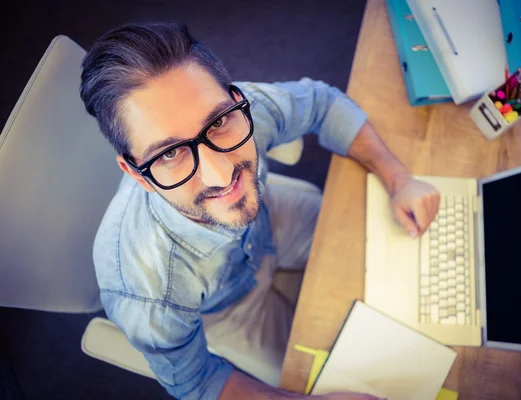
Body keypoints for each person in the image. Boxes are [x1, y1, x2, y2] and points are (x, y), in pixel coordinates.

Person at [81, 22, 440, 400]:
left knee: (412, 264)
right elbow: (198, 382)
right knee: (351, 371)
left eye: (217, 123)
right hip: (229, 313)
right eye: (170, 153)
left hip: (272, 221)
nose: (221, 176)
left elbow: (321, 103)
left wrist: (398, 178)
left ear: (234, 97)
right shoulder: (145, 289)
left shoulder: (241, 110)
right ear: (137, 174)